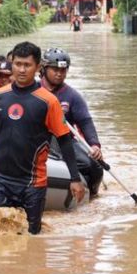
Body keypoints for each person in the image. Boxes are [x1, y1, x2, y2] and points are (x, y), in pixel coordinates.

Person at [0, 41, 86, 234]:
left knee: (32, 237)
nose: (21, 69)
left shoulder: (49, 101)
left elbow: (64, 139)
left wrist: (74, 178)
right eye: (17, 64)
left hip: (32, 182)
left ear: (38, 68)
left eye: (27, 65)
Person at [39, 47, 104, 198]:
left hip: (64, 140)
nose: (59, 74)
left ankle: (91, 195)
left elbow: (85, 122)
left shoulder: (72, 96)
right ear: (44, 68)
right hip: (37, 138)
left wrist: (94, 144)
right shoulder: (33, 90)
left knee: (93, 166)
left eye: (63, 70)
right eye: (54, 69)